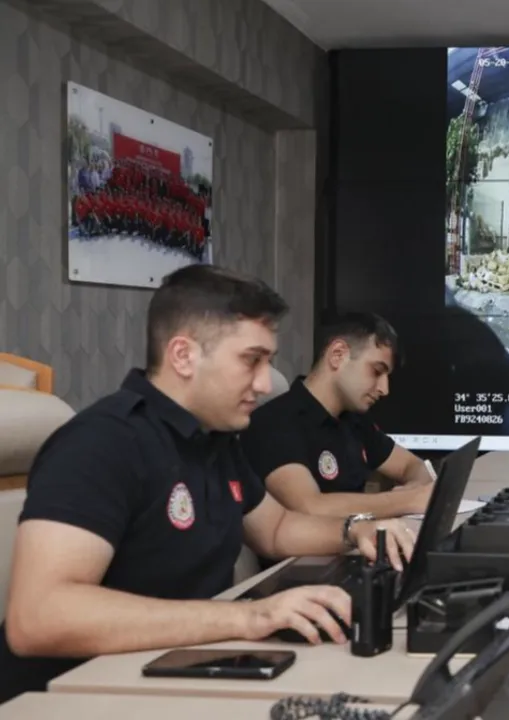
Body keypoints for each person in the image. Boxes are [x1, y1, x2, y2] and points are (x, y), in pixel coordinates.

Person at [0, 265, 416, 703]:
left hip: (166, 672)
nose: (264, 383)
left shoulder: (214, 439)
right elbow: (38, 619)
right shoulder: (102, 442)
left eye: (268, 362)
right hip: (72, 696)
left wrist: (356, 530)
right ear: (183, 356)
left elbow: (276, 530)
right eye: (251, 360)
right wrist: (248, 618)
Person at [240, 312, 437, 523]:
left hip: (356, 539)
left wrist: (415, 488)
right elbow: (310, 507)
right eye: (376, 371)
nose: (384, 389)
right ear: (338, 355)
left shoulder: (355, 420)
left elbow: (412, 466)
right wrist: (406, 500)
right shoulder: (274, 422)